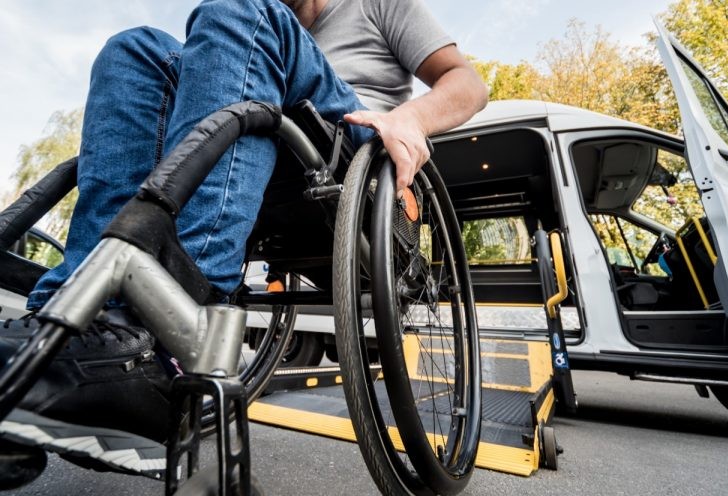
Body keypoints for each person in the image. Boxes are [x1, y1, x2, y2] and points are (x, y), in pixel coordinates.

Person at [0, 0, 487, 443]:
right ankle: (78, 322)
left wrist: (411, 119)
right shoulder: (258, 32)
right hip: (266, 149)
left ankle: (177, 318)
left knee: (243, 14)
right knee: (134, 48)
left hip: (358, 155)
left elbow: (468, 84)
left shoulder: (374, 5)